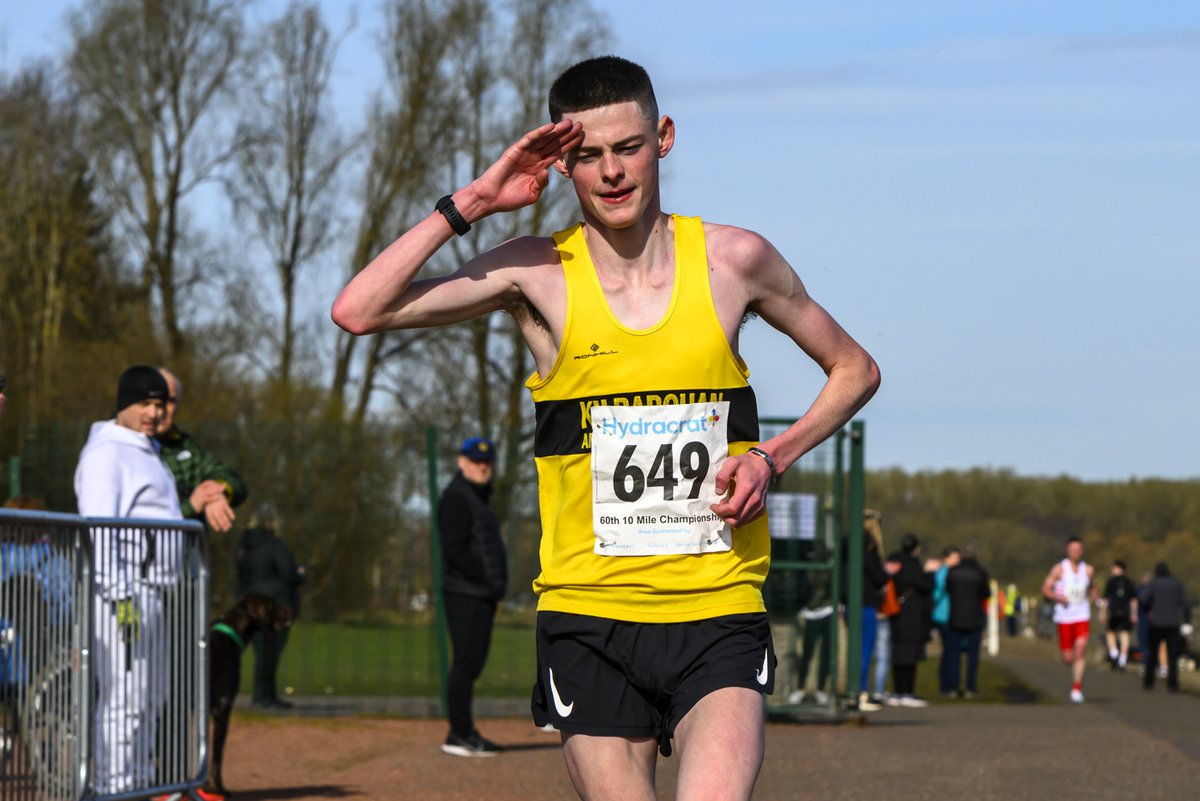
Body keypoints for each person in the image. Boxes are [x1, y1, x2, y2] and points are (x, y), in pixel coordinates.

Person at [331, 55, 880, 799]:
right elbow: (359, 309)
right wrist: (476, 199)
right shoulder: (535, 274)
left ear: (665, 138)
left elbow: (854, 368)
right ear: (562, 165)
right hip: (589, 615)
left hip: (716, 605)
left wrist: (771, 457)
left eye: (628, 147)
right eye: (587, 155)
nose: (612, 172)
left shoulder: (734, 261)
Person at [74, 366, 183, 794]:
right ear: (124, 405)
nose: (154, 412)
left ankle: (136, 782)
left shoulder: (145, 448)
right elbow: (100, 527)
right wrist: (120, 597)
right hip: (123, 594)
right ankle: (112, 787)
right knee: (124, 698)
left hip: (151, 592)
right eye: (145, 404)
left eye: (160, 404)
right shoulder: (107, 454)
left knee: (149, 696)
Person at [436, 436, 508, 757]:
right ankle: (460, 733)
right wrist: (484, 575)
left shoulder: (477, 498)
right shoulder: (457, 498)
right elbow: (455, 549)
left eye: (487, 461)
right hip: (465, 593)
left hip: (478, 593)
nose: (483, 466)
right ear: (461, 462)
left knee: (470, 664)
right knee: (466, 663)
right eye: (476, 460)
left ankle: (462, 732)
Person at [155, 368, 248, 533]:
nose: (161, 409)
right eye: (155, 400)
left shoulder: (185, 445)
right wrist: (192, 506)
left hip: (186, 555)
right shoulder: (122, 448)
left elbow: (233, 479)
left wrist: (216, 493)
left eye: (169, 400)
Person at [235, 503, 304, 709]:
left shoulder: (244, 547)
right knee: (272, 653)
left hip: (251, 607)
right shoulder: (276, 545)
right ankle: (267, 696)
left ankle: (261, 695)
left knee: (261, 652)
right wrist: (300, 573)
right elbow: (288, 573)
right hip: (276, 606)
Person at [1041, 536, 1095, 703]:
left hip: (1082, 615)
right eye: (1073, 550)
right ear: (1068, 551)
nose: (1077, 552)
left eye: (1079, 549)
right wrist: (1058, 598)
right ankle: (1070, 662)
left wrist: (1095, 597)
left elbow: (1092, 588)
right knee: (1068, 657)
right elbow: (1045, 589)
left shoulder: (1088, 570)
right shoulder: (1059, 569)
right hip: (1064, 617)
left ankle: (1076, 687)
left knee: (1080, 649)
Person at [885, 533, 933, 707]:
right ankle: (906, 692)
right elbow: (925, 586)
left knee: (897, 655)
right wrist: (928, 573)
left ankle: (896, 692)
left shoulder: (892, 561)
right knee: (910, 656)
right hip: (912, 617)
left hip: (894, 613)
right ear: (916, 548)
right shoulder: (912, 565)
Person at [944, 544, 990, 698]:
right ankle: (970, 686)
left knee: (953, 654)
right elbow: (986, 593)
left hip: (955, 617)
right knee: (973, 656)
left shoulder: (953, 572)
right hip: (974, 618)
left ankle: (952, 686)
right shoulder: (980, 573)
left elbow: (948, 589)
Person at [1141, 561, 1191, 692]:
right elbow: (1186, 604)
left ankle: (1149, 681)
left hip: (1156, 623)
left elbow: (1144, 600)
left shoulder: (1154, 584)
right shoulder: (1177, 584)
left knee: (1153, 653)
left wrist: (1148, 612)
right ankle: (1173, 683)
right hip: (1173, 623)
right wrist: (1187, 622)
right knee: (1173, 655)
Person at [930, 546, 961, 696]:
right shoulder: (945, 573)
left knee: (949, 651)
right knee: (950, 651)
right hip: (945, 616)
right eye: (955, 557)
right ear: (946, 558)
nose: (958, 561)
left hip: (944, 615)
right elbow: (937, 593)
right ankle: (947, 685)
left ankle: (946, 684)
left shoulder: (944, 572)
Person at [1101, 559, 1138, 669]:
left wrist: (1103, 612)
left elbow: (1106, 599)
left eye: (1114, 568)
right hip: (1126, 613)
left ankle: (1114, 653)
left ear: (1119, 568)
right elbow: (1134, 600)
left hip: (1114, 611)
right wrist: (1134, 614)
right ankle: (1122, 658)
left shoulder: (1111, 581)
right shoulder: (1130, 582)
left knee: (1110, 632)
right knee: (1124, 634)